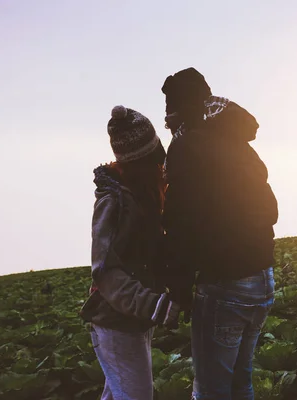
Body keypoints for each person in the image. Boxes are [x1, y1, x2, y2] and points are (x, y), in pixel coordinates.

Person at [161, 68, 279, 400]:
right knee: (241, 383)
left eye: (171, 108)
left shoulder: (186, 148)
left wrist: (180, 289)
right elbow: (270, 210)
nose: (167, 118)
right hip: (262, 278)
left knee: (212, 391)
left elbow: (180, 224)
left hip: (225, 283)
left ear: (181, 108)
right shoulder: (237, 141)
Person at [80, 105, 180, 400]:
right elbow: (106, 271)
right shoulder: (114, 201)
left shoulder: (143, 194)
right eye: (156, 155)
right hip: (115, 322)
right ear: (143, 159)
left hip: (131, 319)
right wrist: (154, 305)